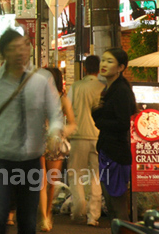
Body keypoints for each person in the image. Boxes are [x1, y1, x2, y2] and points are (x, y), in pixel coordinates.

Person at [0, 30, 63, 234]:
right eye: (14, 48)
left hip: (31, 159)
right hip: (0, 158)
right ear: (4, 53)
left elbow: (56, 114)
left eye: (24, 46)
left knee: (28, 220)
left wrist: (55, 132)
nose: (21, 52)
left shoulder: (42, 79)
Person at [92, 48, 137, 222]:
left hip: (116, 154)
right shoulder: (111, 88)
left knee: (117, 205)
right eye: (103, 60)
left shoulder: (121, 91)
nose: (103, 64)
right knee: (111, 205)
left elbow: (123, 123)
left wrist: (98, 118)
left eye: (109, 61)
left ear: (121, 67)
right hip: (108, 151)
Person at [38, 66, 77, 232]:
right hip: (44, 142)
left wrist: (62, 132)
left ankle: (47, 215)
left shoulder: (61, 99)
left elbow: (73, 124)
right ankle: (44, 217)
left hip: (51, 142)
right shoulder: (43, 97)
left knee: (48, 183)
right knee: (43, 182)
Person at [67, 55, 104, 227]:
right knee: (96, 177)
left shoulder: (75, 87)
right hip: (98, 137)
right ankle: (93, 216)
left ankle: (78, 206)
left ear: (84, 69)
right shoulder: (103, 88)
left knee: (75, 173)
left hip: (78, 135)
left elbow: (67, 109)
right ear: (99, 69)